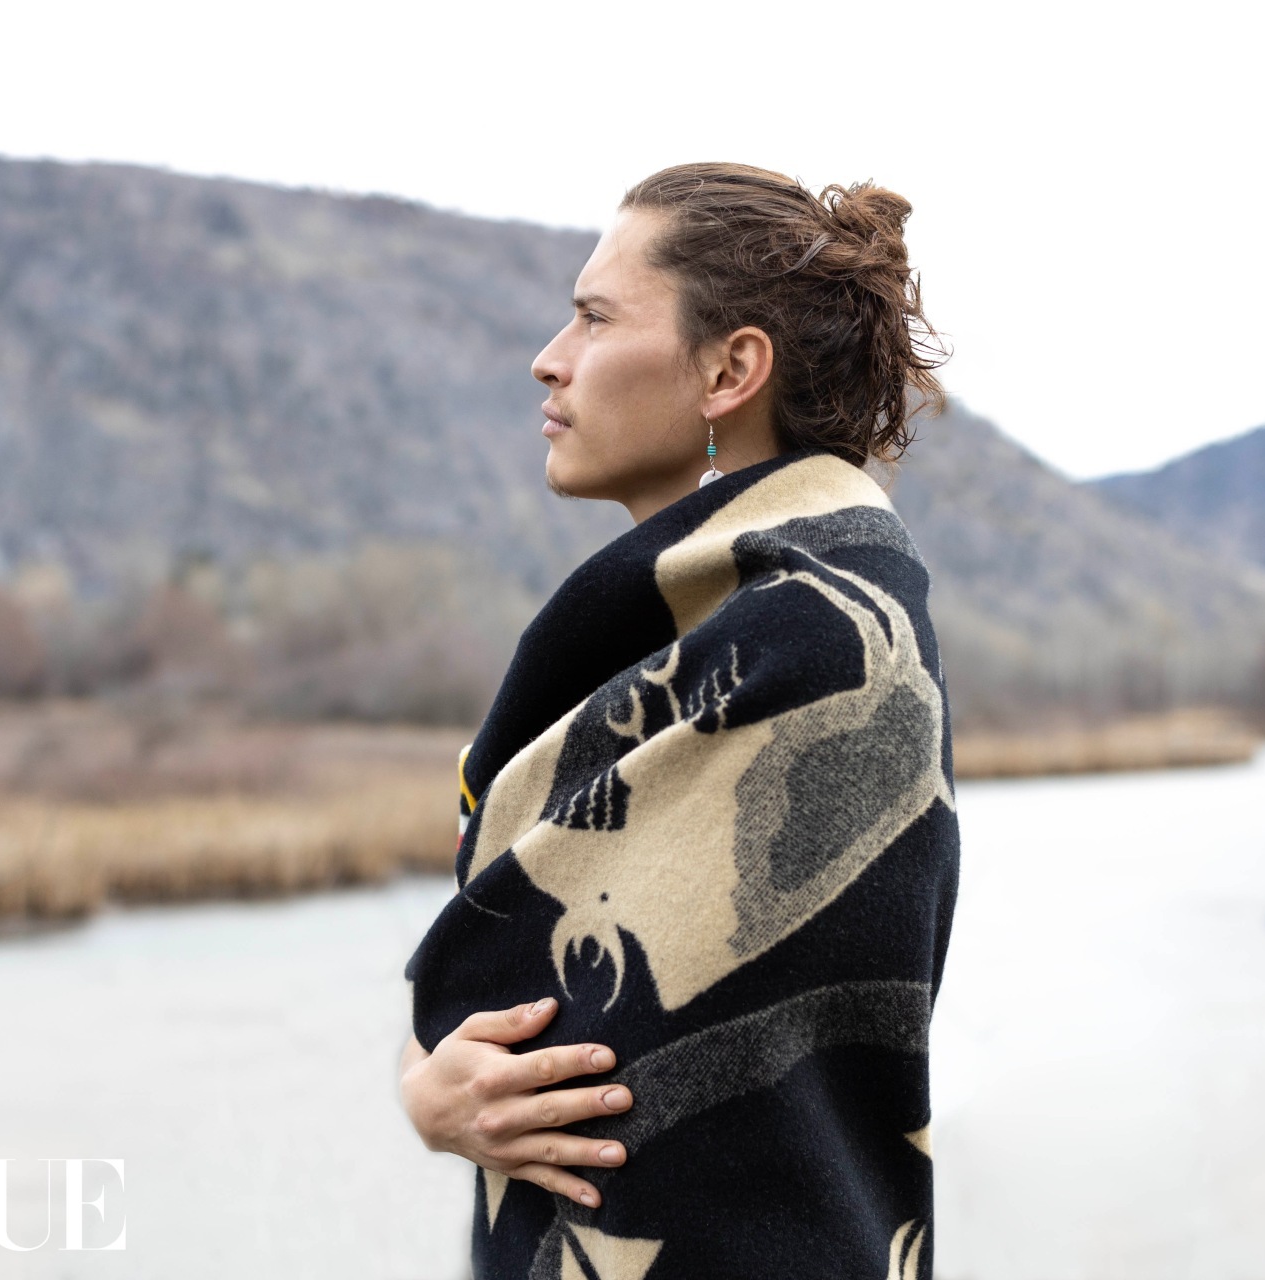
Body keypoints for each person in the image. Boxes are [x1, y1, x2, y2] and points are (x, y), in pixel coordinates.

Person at [398, 162, 960, 1279]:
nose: (550, 356)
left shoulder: (825, 639)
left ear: (728, 371)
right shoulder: (661, 638)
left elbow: (588, 1034)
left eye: (596, 317)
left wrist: (439, 1068)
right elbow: (494, 1021)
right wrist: (434, 1095)